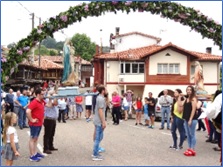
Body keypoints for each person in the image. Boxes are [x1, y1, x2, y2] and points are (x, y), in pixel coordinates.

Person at [26, 88, 46, 162]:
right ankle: (32, 156)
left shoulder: (41, 101)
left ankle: (35, 153)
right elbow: (28, 111)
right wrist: (31, 119)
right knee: (32, 139)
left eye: (43, 94)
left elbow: (49, 105)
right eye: (42, 94)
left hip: (39, 123)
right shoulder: (34, 102)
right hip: (34, 124)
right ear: (38, 94)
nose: (43, 95)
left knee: (36, 139)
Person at [182, 85, 198, 156]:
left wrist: (190, 119)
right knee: (188, 134)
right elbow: (181, 105)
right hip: (186, 118)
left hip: (192, 119)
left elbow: (194, 109)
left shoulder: (193, 99)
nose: (188, 91)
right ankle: (189, 147)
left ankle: (192, 148)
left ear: (192, 91)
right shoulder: (186, 99)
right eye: (187, 89)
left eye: (190, 90)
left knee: (192, 134)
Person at [92, 85, 106, 161]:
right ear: (103, 90)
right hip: (99, 121)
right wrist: (103, 122)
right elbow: (100, 111)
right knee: (98, 138)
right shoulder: (100, 99)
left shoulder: (100, 98)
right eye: (105, 89)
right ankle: (95, 154)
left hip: (98, 120)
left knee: (99, 136)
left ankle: (96, 151)